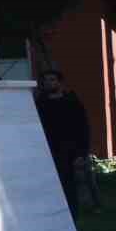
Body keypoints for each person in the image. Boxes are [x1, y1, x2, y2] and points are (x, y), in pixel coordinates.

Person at [35, 70, 91, 220]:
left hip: (69, 151)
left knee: (70, 185)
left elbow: (82, 128)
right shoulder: (40, 104)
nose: (49, 83)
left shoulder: (71, 102)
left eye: (52, 80)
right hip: (48, 150)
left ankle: (72, 215)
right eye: (46, 80)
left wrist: (81, 153)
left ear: (60, 82)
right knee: (51, 185)